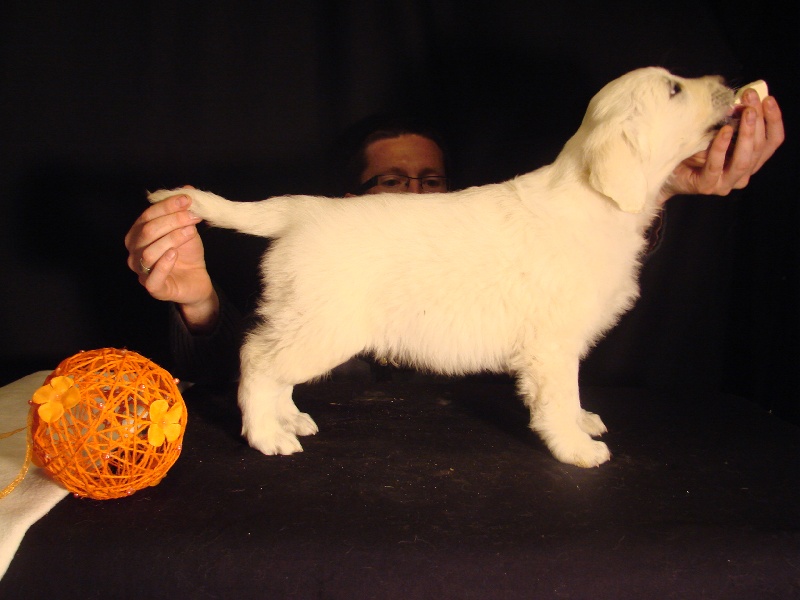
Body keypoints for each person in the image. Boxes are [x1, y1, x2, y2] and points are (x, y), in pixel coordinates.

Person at [125, 92, 785, 382]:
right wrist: (201, 304)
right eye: (391, 182)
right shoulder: (334, 260)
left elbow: (582, 254)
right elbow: (261, 352)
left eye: (431, 180)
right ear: (349, 204)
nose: (416, 196)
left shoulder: (511, 252)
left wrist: (661, 179)